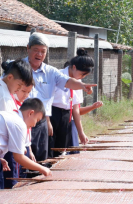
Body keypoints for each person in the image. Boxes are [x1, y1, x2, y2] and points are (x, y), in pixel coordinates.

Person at [24, 32, 97, 161]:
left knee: (43, 154)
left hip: (41, 120)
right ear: (28, 48)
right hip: (23, 118)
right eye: (36, 50)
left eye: (43, 51)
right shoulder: (18, 68)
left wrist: (82, 85)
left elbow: (68, 81)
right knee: (23, 153)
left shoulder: (51, 72)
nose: (39, 54)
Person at [0, 59, 35, 189]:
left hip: (4, 147)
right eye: (19, 86)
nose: (18, 89)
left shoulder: (4, 90)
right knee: (9, 186)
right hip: (4, 149)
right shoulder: (3, 95)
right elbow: (9, 126)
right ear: (10, 77)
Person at [50, 49, 95, 157]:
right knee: (49, 147)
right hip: (52, 114)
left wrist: (81, 132)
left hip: (66, 116)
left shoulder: (78, 83)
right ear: (74, 67)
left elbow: (75, 108)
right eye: (81, 74)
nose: (82, 78)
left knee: (61, 151)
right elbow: (46, 100)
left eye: (84, 76)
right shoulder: (57, 75)